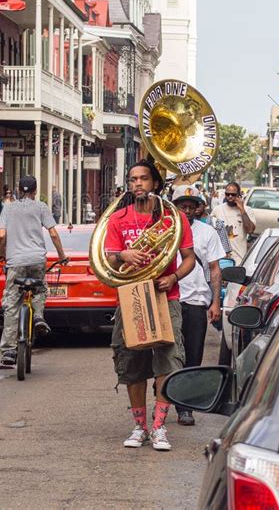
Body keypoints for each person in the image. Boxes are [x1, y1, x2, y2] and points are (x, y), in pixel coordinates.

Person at [104, 159, 196, 451]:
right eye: (133, 180)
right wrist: (123, 256)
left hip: (164, 295)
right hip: (131, 295)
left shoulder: (173, 217)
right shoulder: (118, 219)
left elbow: (189, 258)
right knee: (132, 363)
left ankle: (159, 428)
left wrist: (175, 278)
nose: (138, 184)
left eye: (143, 179)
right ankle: (139, 426)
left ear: (155, 183)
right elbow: (108, 259)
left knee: (167, 361)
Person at [0, 175, 67, 366]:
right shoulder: (41, 208)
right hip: (36, 260)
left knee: (12, 301)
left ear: (19, 189)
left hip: (15, 261)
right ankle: (37, 316)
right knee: (40, 288)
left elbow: (2, 235)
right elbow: (53, 233)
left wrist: (2, 253)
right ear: (35, 191)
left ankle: (9, 351)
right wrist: (62, 256)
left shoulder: (8, 208)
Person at [171, 186, 225, 426]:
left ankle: (185, 407)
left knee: (193, 357)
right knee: (168, 355)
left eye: (192, 206)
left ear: (197, 209)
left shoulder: (208, 233)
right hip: (169, 299)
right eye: (183, 206)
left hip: (195, 302)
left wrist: (216, 302)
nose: (187, 210)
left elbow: (215, 269)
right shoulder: (164, 230)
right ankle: (164, 398)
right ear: (175, 207)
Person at [211, 182, 256, 264]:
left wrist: (242, 210)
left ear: (239, 195)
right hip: (221, 259)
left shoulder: (247, 210)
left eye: (233, 194)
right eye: (227, 194)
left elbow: (250, 230)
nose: (230, 197)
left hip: (239, 259)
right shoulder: (217, 210)